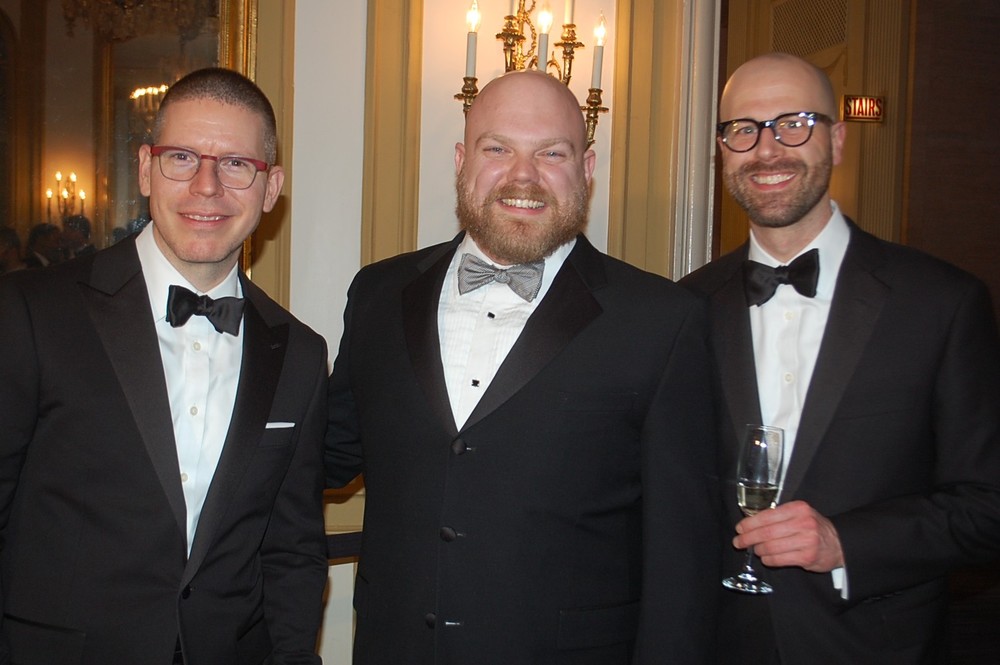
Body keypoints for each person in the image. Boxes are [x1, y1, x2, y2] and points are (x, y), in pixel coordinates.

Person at [325, 70, 720, 664]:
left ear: (586, 169)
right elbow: (323, 451)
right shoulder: (379, 293)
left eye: (551, 153)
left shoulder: (662, 320)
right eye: (497, 149)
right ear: (462, 161)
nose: (523, 176)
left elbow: (683, 551)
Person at [0, 68, 329, 664]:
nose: (207, 187)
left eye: (235, 164)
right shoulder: (31, 312)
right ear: (146, 169)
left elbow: (291, 549)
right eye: (182, 158)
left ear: (271, 186)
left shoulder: (300, 354)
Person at [681, 52, 1000, 664]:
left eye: (794, 123)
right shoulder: (683, 309)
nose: (767, 149)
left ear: (838, 139)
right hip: (721, 644)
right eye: (743, 129)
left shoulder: (941, 303)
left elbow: (987, 506)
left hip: (876, 646)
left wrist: (844, 542)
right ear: (722, 150)